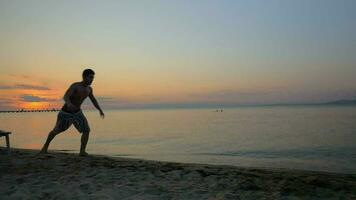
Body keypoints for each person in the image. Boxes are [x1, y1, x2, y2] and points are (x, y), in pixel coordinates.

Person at [40, 69, 105, 156]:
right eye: (90, 77)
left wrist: (100, 110)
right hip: (66, 112)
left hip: (77, 113)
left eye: (93, 78)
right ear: (84, 77)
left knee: (86, 130)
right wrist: (69, 103)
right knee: (57, 130)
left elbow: (93, 100)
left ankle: (82, 151)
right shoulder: (76, 86)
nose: (92, 79)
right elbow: (66, 96)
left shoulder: (89, 89)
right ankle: (45, 147)